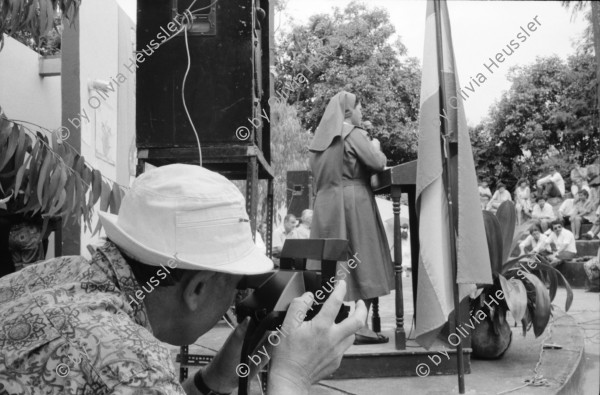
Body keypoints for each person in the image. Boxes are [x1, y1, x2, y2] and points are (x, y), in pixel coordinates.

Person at [0, 164, 366, 394]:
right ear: (198, 288)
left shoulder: (58, 272)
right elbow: (130, 376)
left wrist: (216, 379)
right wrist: (293, 380)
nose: (238, 301)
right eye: (238, 286)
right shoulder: (128, 359)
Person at [309, 91, 393, 345]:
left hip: (326, 205)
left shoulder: (318, 143)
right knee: (364, 259)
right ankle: (360, 325)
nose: (361, 113)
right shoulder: (352, 134)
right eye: (359, 108)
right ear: (347, 112)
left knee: (333, 265)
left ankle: (332, 324)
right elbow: (376, 163)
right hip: (353, 202)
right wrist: (377, 148)